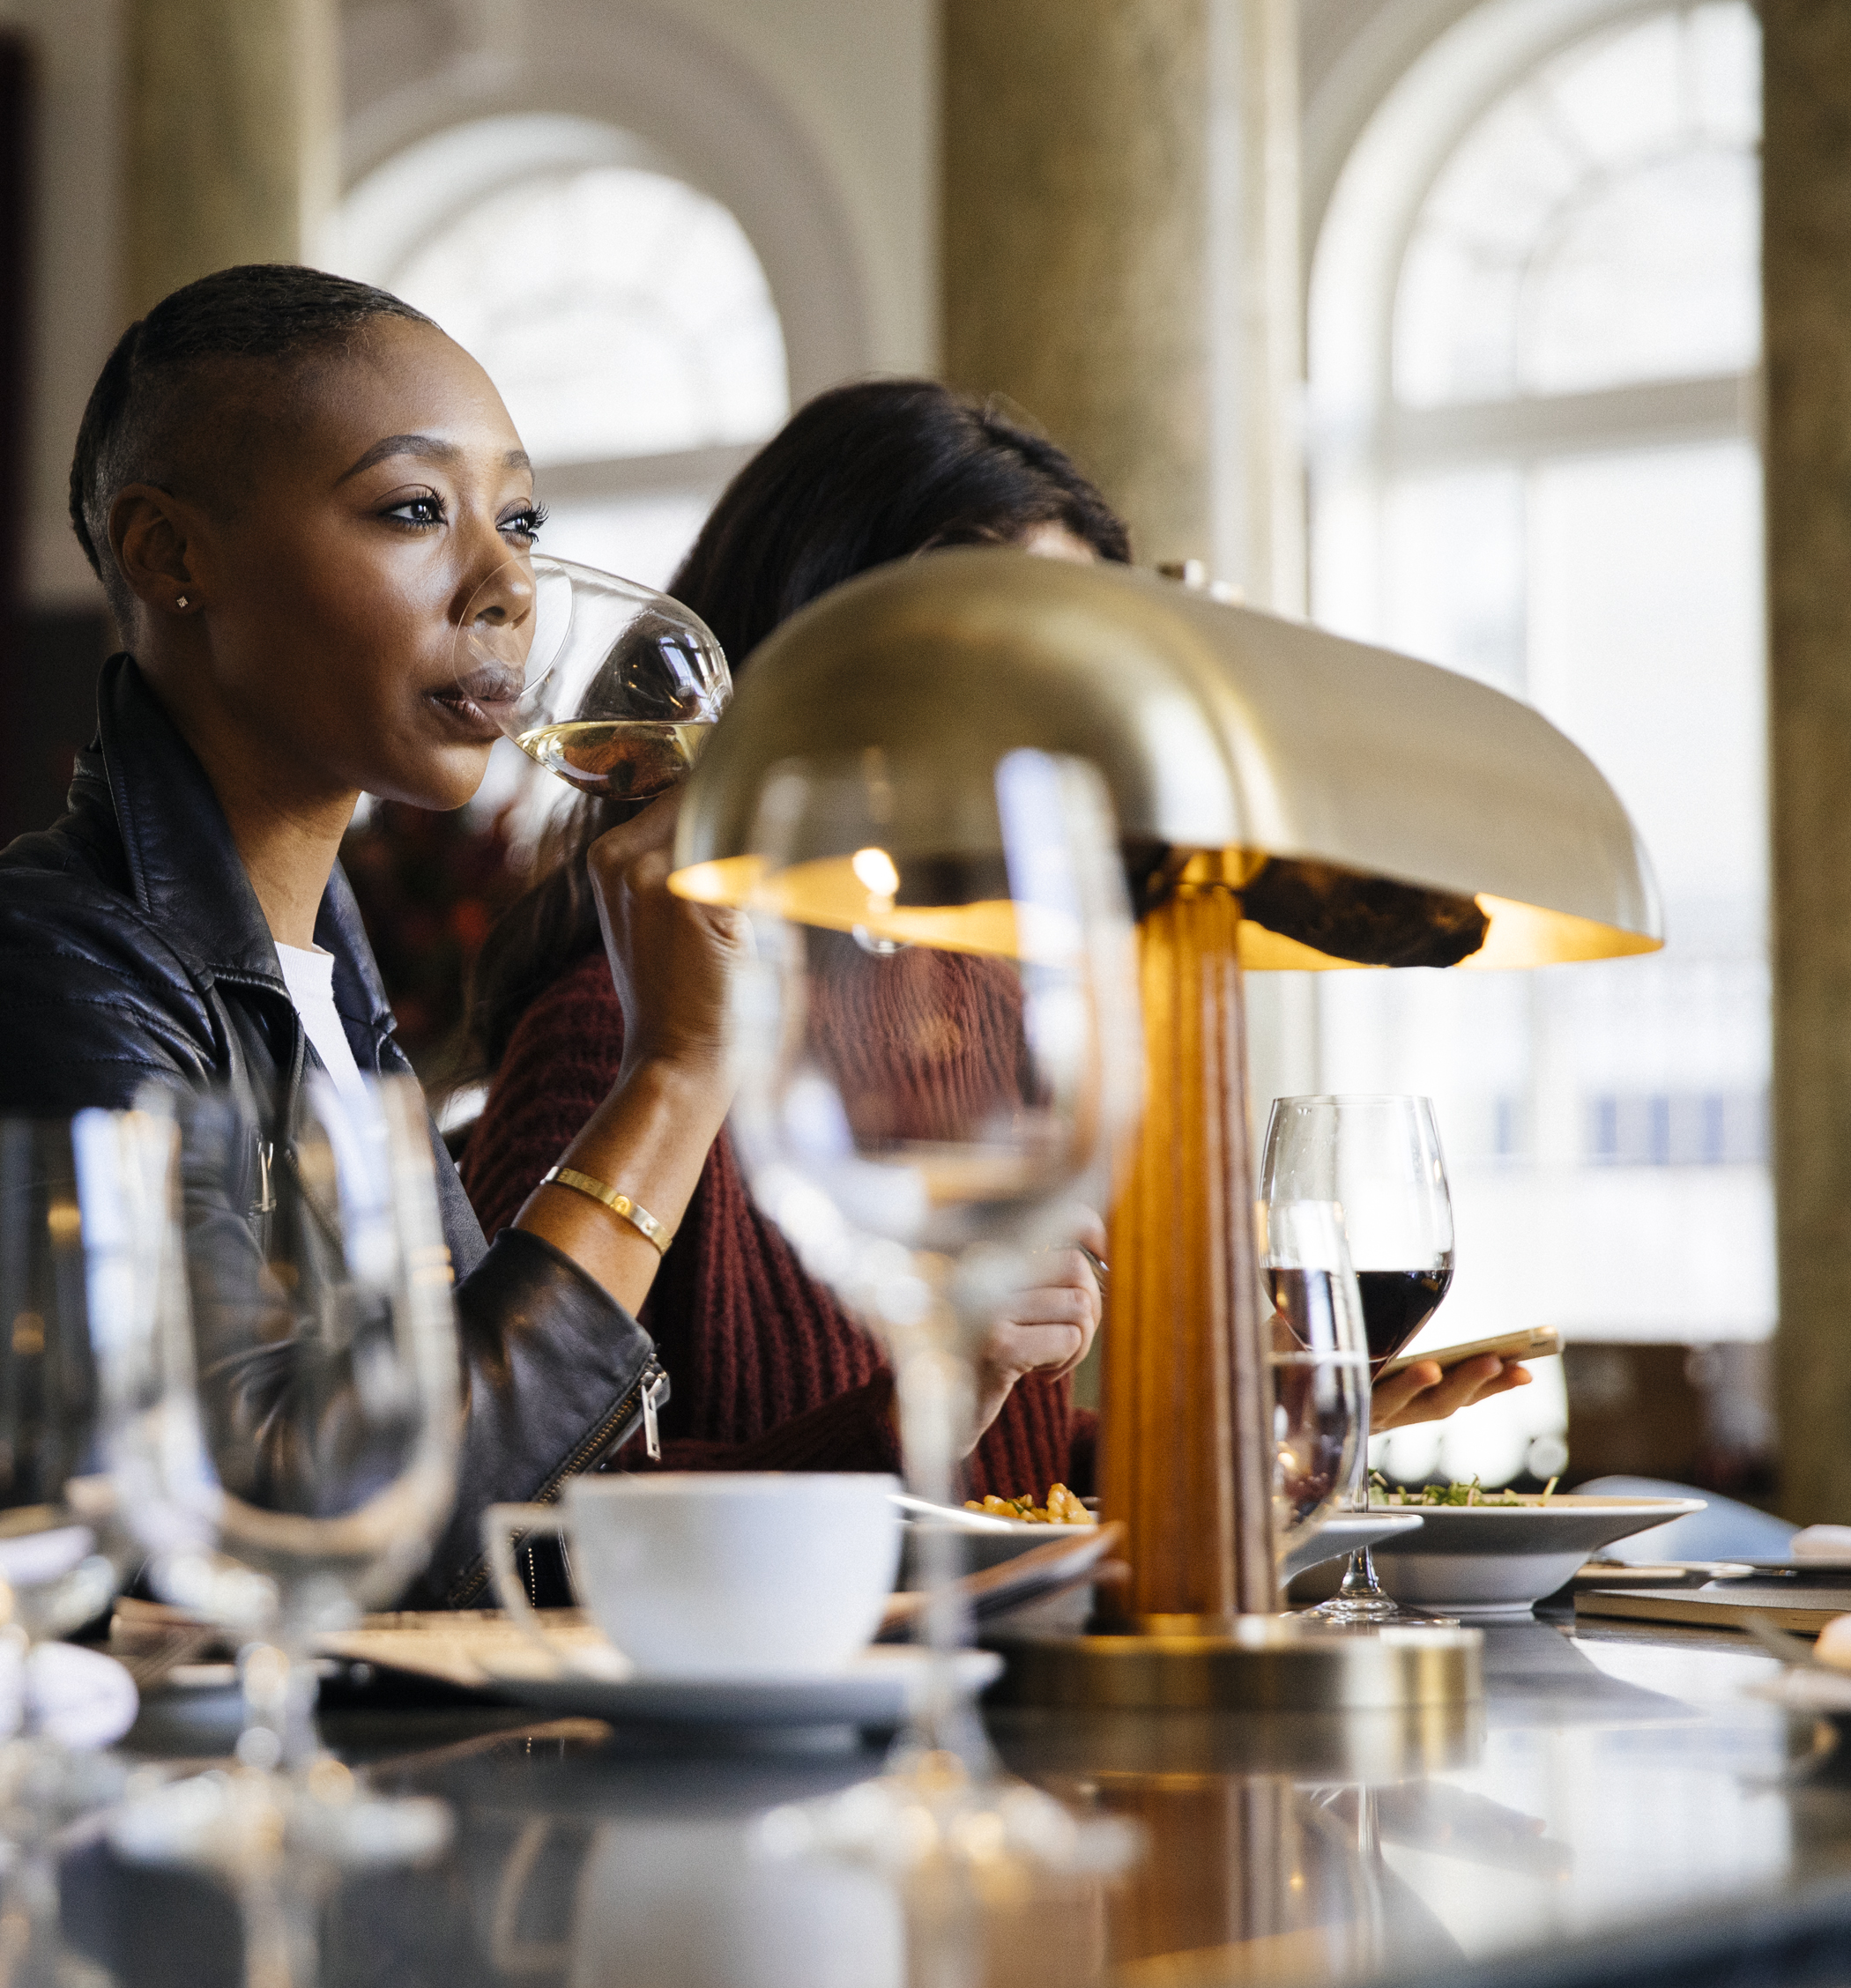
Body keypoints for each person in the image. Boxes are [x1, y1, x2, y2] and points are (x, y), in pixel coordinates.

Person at [454, 379, 1532, 1498]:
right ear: (806, 663)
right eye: (985, 666)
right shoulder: (615, 1031)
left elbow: (995, 1479)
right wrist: (919, 1405)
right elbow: (523, 1517)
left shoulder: (989, 1003)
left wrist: (1245, 1424)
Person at [0, 265, 748, 1608]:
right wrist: (677, 1074)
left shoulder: (334, 1002)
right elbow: (296, 1519)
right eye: (415, 508)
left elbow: (496, 1492)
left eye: (520, 518)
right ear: (170, 555)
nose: (508, 582)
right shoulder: (40, 957)